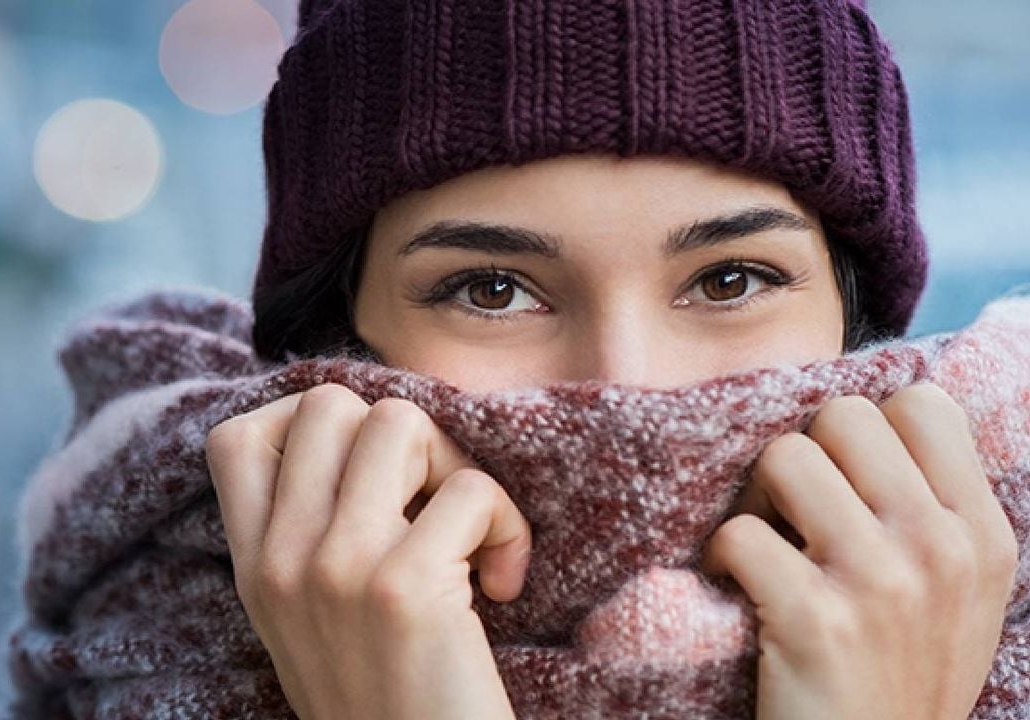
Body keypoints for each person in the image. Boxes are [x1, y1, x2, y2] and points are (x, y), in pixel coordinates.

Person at [203, 1, 1020, 718]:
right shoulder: (117, 650)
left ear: (854, 319)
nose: (626, 388)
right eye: (491, 291)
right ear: (335, 337)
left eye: (729, 279)